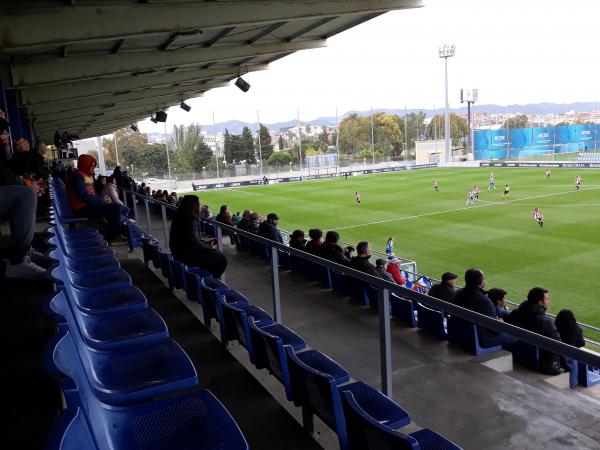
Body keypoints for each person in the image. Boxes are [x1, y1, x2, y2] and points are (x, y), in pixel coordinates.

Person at [453, 268, 517, 348]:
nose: (484, 281)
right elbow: (494, 329)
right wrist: (499, 322)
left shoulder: (457, 293)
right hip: (480, 340)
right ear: (480, 282)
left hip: (458, 333)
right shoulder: (484, 301)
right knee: (519, 337)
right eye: (483, 279)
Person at [67, 154, 123, 242]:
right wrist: (101, 201)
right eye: (91, 165)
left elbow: (93, 194)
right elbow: (84, 195)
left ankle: (114, 233)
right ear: (85, 165)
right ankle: (113, 237)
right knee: (116, 207)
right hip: (81, 209)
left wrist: (103, 200)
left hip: (88, 206)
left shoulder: (86, 175)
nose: (93, 167)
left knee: (115, 207)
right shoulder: (77, 176)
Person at [169, 195, 227, 278]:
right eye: (199, 204)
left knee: (214, 254)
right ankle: (208, 282)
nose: (201, 205)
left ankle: (205, 279)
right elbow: (194, 243)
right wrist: (210, 247)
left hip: (179, 251)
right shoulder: (190, 220)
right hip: (184, 254)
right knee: (221, 259)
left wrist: (206, 244)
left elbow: (191, 240)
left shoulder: (180, 216)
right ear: (193, 206)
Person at [507, 287, 562, 375]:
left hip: (517, 352)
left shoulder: (515, 313)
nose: (549, 302)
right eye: (547, 299)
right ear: (540, 302)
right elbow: (559, 345)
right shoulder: (546, 322)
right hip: (536, 359)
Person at [555, 309, 585, 387]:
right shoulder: (576, 329)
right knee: (574, 359)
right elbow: (582, 343)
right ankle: (573, 384)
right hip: (563, 355)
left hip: (555, 351)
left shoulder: (555, 325)